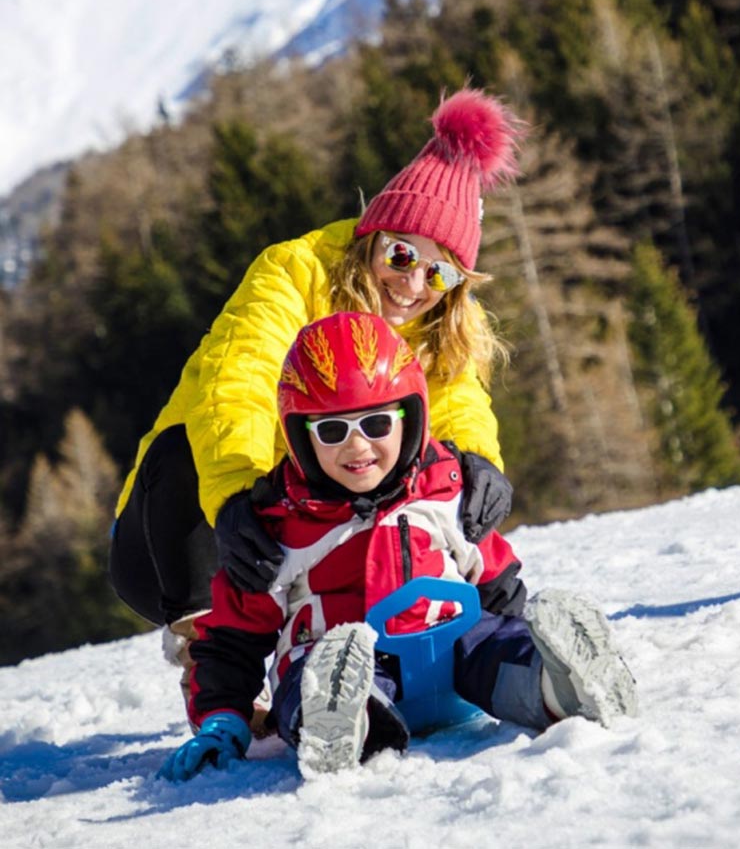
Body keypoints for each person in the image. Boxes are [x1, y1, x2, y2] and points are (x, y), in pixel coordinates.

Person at [109, 89, 525, 670]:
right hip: (186, 536)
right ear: (371, 236)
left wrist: (478, 463)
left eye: (440, 273)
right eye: (401, 256)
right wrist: (236, 496)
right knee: (184, 454)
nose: (413, 285)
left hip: (313, 533)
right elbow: (239, 379)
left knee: (432, 477)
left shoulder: (441, 319)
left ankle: (462, 655)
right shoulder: (295, 273)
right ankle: (214, 673)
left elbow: (458, 401)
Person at [158, 313, 638, 782]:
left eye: (376, 424)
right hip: (346, 659)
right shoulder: (279, 527)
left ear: (411, 417)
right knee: (314, 674)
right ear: (299, 434)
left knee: (494, 643)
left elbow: (494, 577)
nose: (357, 447)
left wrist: (514, 630)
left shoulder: (447, 489)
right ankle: (339, 724)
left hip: (452, 649)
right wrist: (223, 720)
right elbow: (232, 639)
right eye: (332, 431)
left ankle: (557, 684)